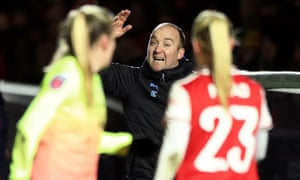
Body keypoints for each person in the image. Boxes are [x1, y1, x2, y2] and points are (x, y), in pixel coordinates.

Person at [9, 4, 132, 180]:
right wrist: (18, 176)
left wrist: (131, 144)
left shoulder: (91, 78)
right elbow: (29, 128)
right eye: (112, 41)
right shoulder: (68, 72)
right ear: (104, 42)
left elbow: (84, 139)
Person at [154, 9, 273, 180]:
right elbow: (259, 152)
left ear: (196, 45)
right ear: (231, 44)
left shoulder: (187, 91)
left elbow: (174, 152)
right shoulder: (255, 91)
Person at [99, 10, 195, 180]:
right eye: (153, 43)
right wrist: (106, 39)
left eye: (166, 44)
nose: (157, 49)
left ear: (180, 53)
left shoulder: (194, 86)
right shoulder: (132, 80)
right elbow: (90, 66)